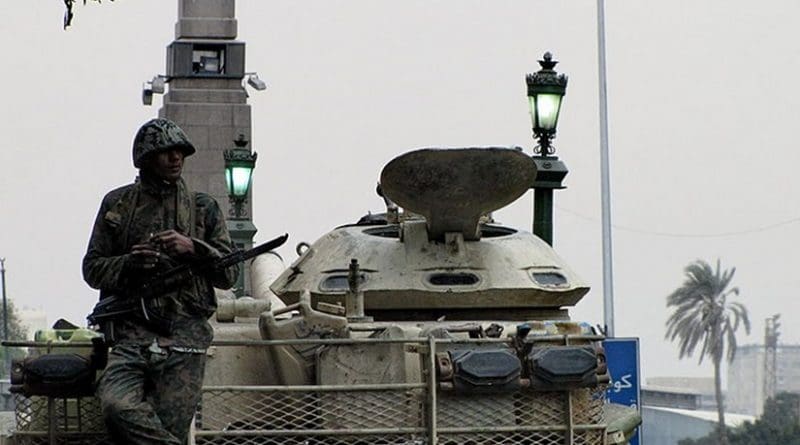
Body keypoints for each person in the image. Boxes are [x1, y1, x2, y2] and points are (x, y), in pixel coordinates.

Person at [82, 118, 239, 444]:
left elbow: (228, 274)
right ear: (146, 157)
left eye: (180, 152)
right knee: (115, 406)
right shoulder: (118, 206)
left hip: (185, 341)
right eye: (165, 152)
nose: (175, 158)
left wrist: (193, 247)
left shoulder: (203, 209)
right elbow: (92, 269)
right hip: (131, 338)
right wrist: (130, 263)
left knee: (167, 428)